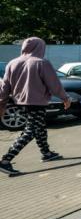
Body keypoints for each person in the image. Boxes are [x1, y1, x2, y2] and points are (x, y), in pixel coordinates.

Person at [0, 37, 71, 176]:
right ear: (40, 48)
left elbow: (5, 86)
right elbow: (54, 83)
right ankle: (5, 160)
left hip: (20, 101)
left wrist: (2, 101)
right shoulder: (41, 62)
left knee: (39, 126)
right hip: (37, 102)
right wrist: (65, 98)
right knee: (31, 130)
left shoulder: (12, 63)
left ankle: (46, 152)